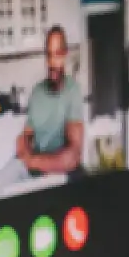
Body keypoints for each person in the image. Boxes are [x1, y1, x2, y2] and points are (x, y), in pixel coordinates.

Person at [16, 25, 83, 176]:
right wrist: (24, 146)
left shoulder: (73, 91)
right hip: (38, 175)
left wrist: (32, 161)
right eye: (49, 55)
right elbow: (26, 136)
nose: (53, 62)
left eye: (58, 54)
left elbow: (73, 157)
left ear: (65, 54)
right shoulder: (36, 92)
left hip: (65, 177)